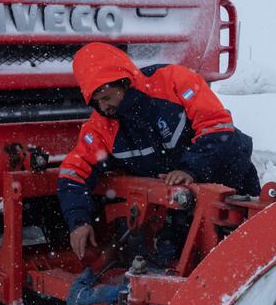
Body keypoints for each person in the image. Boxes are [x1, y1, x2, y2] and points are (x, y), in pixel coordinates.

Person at [57, 42, 260, 260]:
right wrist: (78, 220)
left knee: (251, 252)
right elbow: (74, 171)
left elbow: (217, 125)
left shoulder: (173, 80)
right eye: (96, 102)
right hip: (180, 209)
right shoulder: (101, 126)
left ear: (125, 82)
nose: (103, 107)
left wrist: (190, 169)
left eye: (106, 97)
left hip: (233, 182)